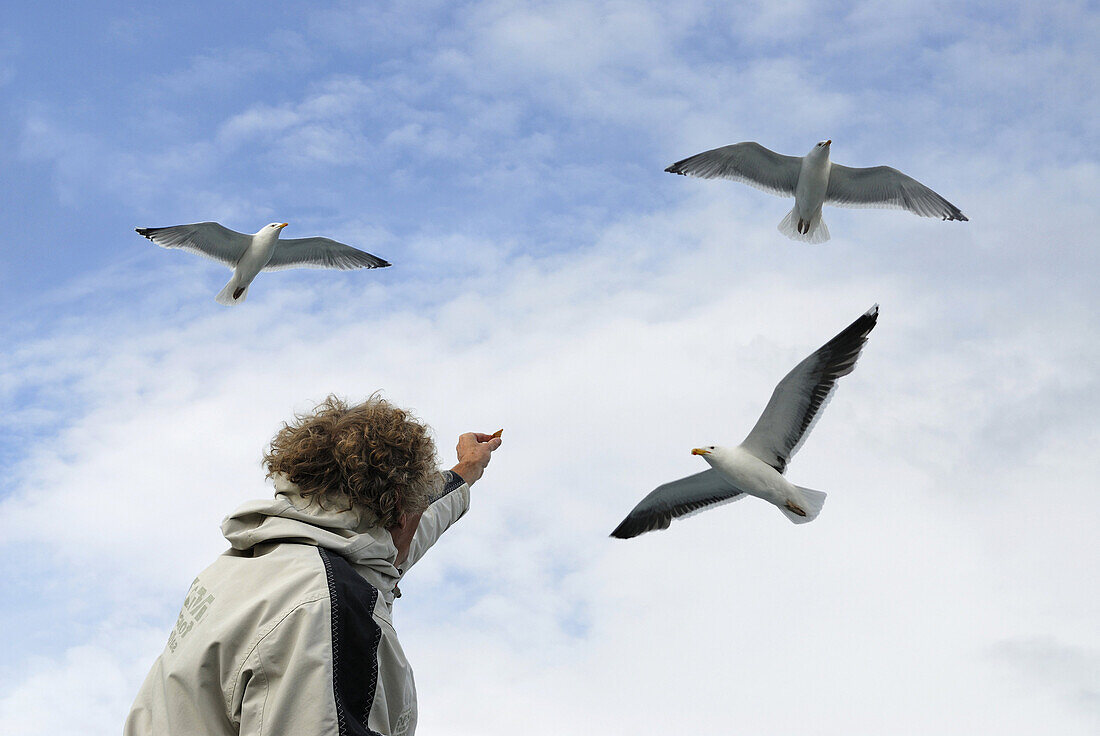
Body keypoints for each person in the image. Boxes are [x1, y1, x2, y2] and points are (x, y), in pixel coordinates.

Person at [124, 395, 502, 736]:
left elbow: (395, 546)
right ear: (400, 516)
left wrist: (466, 470)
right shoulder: (328, 607)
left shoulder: (269, 557)